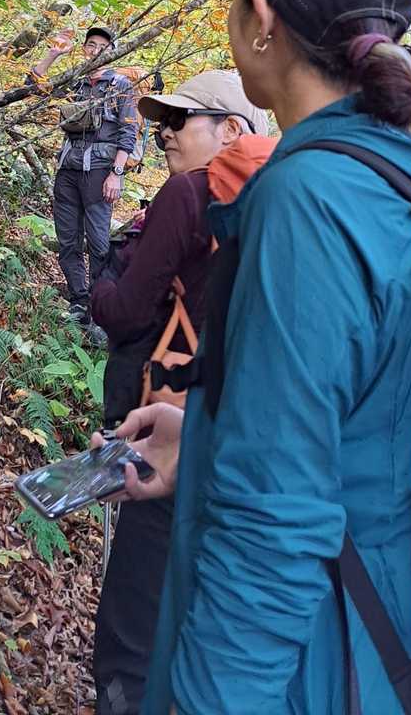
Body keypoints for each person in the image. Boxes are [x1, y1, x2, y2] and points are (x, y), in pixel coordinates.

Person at [105, 0, 411, 715]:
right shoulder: (398, 184)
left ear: (261, 18)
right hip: (377, 631)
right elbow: (359, 424)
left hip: (311, 663)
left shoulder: (308, 201)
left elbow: (274, 524)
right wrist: (206, 437)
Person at [89, 70, 274, 715]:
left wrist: (98, 280)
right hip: (247, 443)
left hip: (170, 428)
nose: (164, 133)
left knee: (133, 622)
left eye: (179, 120)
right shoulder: (286, 203)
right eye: (162, 121)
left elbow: (125, 312)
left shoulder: (188, 193)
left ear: (231, 130)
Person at [30, 24, 137, 331]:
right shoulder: (75, 82)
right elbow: (34, 88)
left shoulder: (120, 85)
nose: (95, 50)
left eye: (102, 46)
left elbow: (128, 132)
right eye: (91, 44)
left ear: (112, 52)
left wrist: (116, 174)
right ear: (84, 49)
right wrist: (53, 54)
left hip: (100, 172)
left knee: (99, 243)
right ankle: (78, 301)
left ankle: (98, 307)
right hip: (67, 170)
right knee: (68, 239)